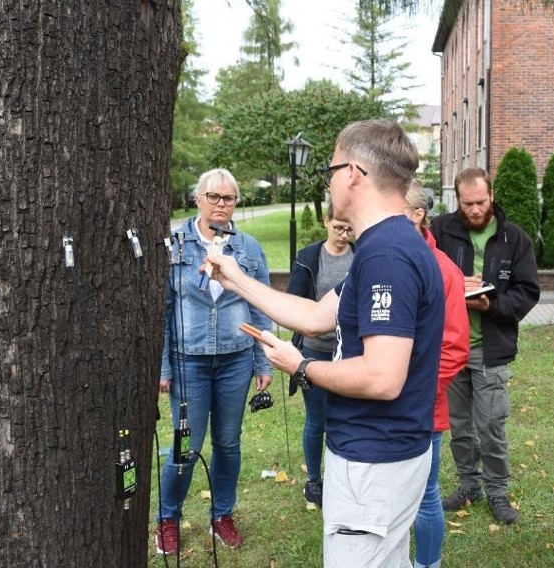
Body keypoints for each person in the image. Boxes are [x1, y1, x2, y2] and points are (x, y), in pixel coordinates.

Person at [207, 118, 445, 567]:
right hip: (380, 459)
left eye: (331, 171)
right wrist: (235, 279)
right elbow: (317, 316)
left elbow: (382, 377)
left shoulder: (388, 255)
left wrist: (302, 368)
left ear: (353, 173)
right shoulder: (381, 245)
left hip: (373, 462)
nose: (330, 182)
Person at [155, 168, 274, 556]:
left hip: (235, 361)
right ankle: (168, 519)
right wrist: (164, 368)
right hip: (189, 362)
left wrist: (263, 361)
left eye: (230, 198)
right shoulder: (177, 245)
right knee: (185, 445)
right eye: (214, 197)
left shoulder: (249, 249)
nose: (222, 204)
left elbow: (260, 307)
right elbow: (164, 311)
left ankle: (222, 515)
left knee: (228, 442)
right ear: (198, 199)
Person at [430, 166, 540, 525]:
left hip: (491, 347)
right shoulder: (441, 231)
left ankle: (497, 490)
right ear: (457, 201)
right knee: (460, 424)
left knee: (490, 424)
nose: (475, 210)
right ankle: (468, 484)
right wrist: (451, 289)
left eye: (481, 202)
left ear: (492, 196)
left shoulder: (515, 238)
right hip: (451, 345)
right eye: (467, 204)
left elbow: (528, 292)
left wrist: (491, 304)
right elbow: (426, 276)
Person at [404, 180, 470, 568]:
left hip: (422, 407)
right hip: (382, 403)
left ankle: (428, 564)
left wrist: (412, 392)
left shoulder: (444, 270)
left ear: (418, 214)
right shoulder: (384, 259)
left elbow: (454, 348)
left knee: (425, 493)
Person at [285, 201, 355, 507]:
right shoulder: (309, 257)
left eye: (348, 228)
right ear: (326, 222)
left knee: (347, 417)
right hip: (314, 350)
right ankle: (314, 480)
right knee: (317, 419)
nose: (342, 234)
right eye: (337, 227)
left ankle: (344, 478)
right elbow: (293, 302)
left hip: (348, 352)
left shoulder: (361, 255)